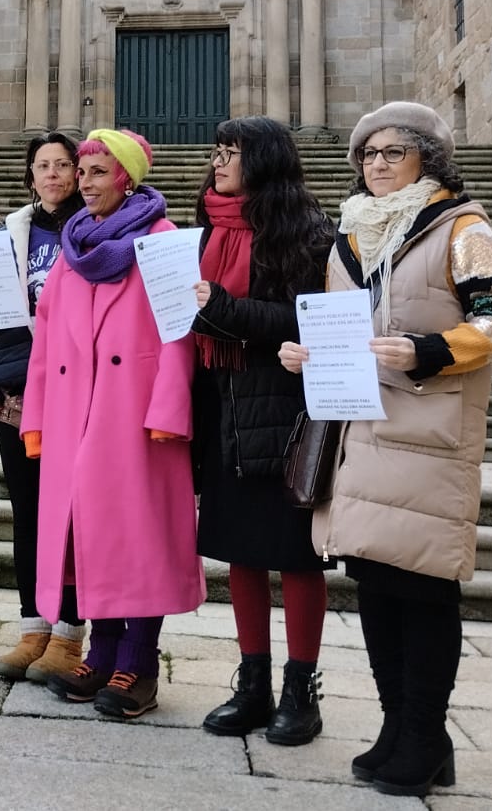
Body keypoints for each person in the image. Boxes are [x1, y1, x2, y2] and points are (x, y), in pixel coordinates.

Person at [279, 102, 492, 797]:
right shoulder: (351, 235)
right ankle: (396, 728)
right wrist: (306, 353)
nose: (376, 164)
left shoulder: (462, 227)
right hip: (360, 429)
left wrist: (429, 350)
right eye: (368, 155)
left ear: (428, 159)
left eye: (392, 153)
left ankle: (425, 732)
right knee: (375, 581)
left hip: (426, 428)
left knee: (424, 584)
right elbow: (341, 325)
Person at [22, 129, 204, 720]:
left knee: (137, 538)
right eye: (83, 172)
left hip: (137, 420)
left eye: (99, 172)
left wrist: (170, 412)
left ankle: (139, 661)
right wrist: (37, 418)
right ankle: (101, 651)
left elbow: (180, 333)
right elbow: (45, 343)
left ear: (127, 177)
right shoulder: (74, 248)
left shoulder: (164, 240)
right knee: (86, 536)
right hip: (75, 418)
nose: (86, 182)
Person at [191, 117, 336, 745]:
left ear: (265, 161)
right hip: (220, 406)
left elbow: (309, 318)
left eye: (232, 153)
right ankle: (253, 683)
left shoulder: (306, 233)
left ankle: (300, 689)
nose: (219, 162)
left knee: (297, 555)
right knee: (241, 552)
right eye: (218, 151)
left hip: (283, 407)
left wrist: (222, 311)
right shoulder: (206, 229)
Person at [0, 131, 87, 684]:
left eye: (64, 164)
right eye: (44, 166)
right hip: (20, 383)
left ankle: (70, 635)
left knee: (75, 517)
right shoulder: (12, 230)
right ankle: (33, 627)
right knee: (30, 511)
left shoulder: (95, 228)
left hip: (79, 385)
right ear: (30, 175)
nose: (54, 174)